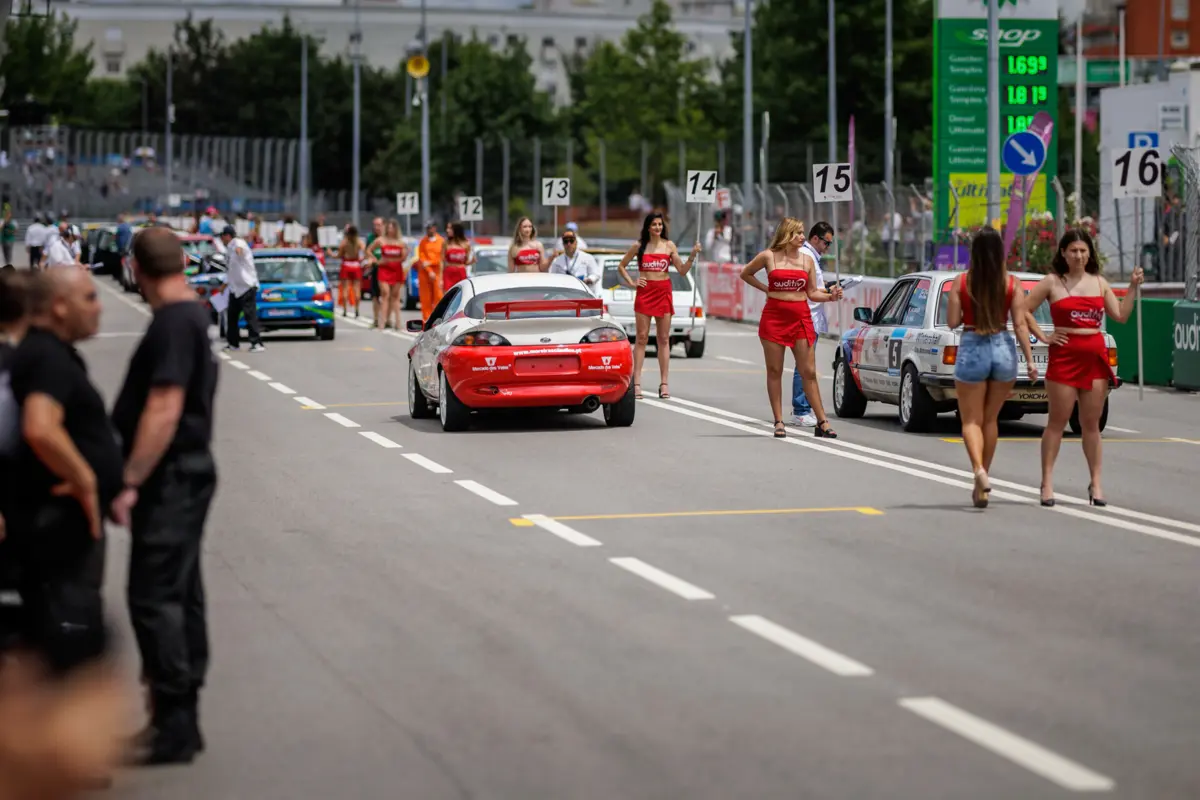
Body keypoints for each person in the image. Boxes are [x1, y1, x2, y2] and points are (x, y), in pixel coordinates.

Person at [110, 227, 219, 765]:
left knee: (155, 598)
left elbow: (164, 406)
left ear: (136, 268)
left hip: (171, 476)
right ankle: (179, 719)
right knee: (179, 592)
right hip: (184, 473)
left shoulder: (174, 322)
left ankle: (174, 721)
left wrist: (130, 479)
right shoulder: (191, 315)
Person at [8, 268, 121, 675]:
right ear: (59, 306)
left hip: (61, 529)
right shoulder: (47, 357)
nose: (99, 306)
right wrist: (86, 481)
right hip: (59, 531)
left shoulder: (50, 353)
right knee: (68, 637)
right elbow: (40, 427)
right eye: (89, 297)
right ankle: (63, 731)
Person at [1024, 229, 1143, 507]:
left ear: (1090, 253)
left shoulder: (1100, 283)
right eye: (1073, 250)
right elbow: (1023, 309)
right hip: (1064, 358)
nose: (1078, 255)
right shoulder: (1052, 282)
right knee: (1056, 422)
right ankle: (1047, 483)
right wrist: (1044, 336)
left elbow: (1121, 316)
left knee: (1091, 425)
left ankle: (1096, 483)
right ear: (1063, 253)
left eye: (1083, 250)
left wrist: (1133, 287)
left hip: (1094, 359)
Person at [946, 226, 1037, 509]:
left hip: (973, 343)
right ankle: (982, 486)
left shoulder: (961, 283)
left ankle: (978, 471)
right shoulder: (1012, 284)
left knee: (970, 420)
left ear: (973, 253)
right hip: (1002, 347)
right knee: (990, 420)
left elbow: (952, 322)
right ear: (1000, 253)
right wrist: (1031, 361)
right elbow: (1020, 325)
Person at [740, 217, 843, 439]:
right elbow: (745, 273)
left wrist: (830, 296)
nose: (803, 238)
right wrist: (765, 288)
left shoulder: (807, 261)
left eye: (803, 233)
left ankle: (822, 422)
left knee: (808, 372)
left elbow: (812, 292)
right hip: (774, 318)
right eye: (798, 233)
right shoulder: (768, 256)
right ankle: (778, 421)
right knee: (775, 371)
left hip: (801, 319)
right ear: (787, 234)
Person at [616, 212, 702, 400]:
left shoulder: (669, 245)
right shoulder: (639, 246)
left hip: (663, 292)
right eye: (654, 224)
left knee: (664, 339)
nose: (657, 228)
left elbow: (681, 270)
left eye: (660, 224)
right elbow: (621, 266)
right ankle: (636, 383)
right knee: (641, 338)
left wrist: (693, 255)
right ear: (648, 227)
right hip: (645, 293)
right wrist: (632, 282)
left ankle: (664, 383)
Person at [790, 221, 834, 427]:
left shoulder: (812, 257)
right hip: (807, 316)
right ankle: (801, 410)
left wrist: (829, 290)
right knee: (804, 366)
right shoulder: (807, 256)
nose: (828, 248)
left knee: (806, 366)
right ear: (815, 238)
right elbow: (811, 291)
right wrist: (829, 294)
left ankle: (804, 407)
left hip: (811, 317)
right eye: (826, 243)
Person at [217, 225, 264, 352]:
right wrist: (224, 286)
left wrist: (238, 251)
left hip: (246, 286)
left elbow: (240, 249)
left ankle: (257, 343)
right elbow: (231, 270)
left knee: (250, 315)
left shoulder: (237, 242)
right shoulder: (228, 249)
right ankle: (233, 343)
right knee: (232, 316)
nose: (222, 240)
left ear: (227, 236)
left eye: (222, 237)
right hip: (235, 288)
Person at [365, 219, 407, 330]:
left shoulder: (400, 242)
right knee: (385, 293)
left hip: (396, 270)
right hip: (383, 270)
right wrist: (375, 260)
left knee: (395, 296)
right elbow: (368, 250)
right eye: (388, 227)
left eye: (392, 227)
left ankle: (398, 323)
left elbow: (403, 257)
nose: (390, 230)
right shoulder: (381, 240)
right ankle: (381, 323)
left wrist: (398, 258)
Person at [549, 229, 601, 296]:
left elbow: (596, 274)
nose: (569, 244)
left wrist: (589, 279)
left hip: (583, 293)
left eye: (571, 241)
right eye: (566, 241)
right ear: (563, 244)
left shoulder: (588, 257)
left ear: (576, 242)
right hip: (564, 295)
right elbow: (551, 277)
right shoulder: (557, 260)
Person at [415, 221, 444, 322]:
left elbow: (441, 257)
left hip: (437, 272)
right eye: (427, 228)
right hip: (424, 273)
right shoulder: (423, 242)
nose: (428, 230)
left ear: (435, 228)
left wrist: (431, 263)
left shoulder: (441, 241)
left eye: (430, 228)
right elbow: (422, 258)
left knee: (438, 297)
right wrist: (429, 270)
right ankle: (426, 320)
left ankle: (437, 320)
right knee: (425, 299)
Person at [441, 221, 473, 293]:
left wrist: (472, 261)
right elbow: (442, 261)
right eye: (447, 228)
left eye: (450, 228)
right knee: (447, 296)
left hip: (461, 273)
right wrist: (440, 279)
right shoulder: (446, 243)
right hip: (449, 273)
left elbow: (466, 262)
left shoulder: (466, 244)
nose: (447, 230)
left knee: (461, 294)